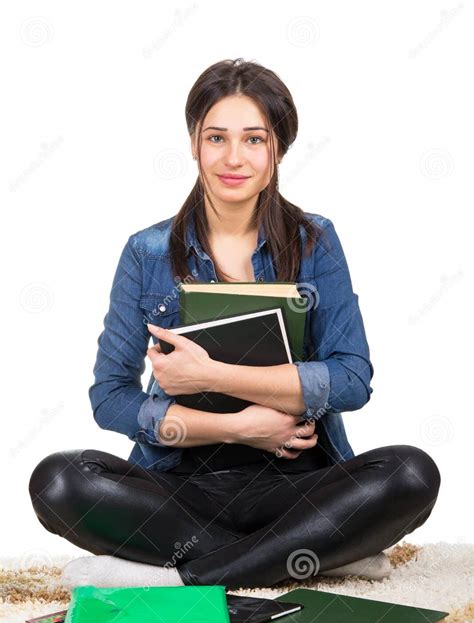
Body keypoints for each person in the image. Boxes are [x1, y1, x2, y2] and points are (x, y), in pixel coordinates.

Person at [28, 58, 441, 591]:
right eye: (216, 137)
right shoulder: (147, 252)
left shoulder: (315, 240)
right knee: (58, 480)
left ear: (278, 149)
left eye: (253, 139)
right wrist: (240, 427)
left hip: (300, 485)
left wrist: (213, 376)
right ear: (194, 143)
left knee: (411, 474)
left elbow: (352, 379)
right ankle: (311, 553)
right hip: (181, 491)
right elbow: (109, 398)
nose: (233, 158)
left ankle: (190, 575)